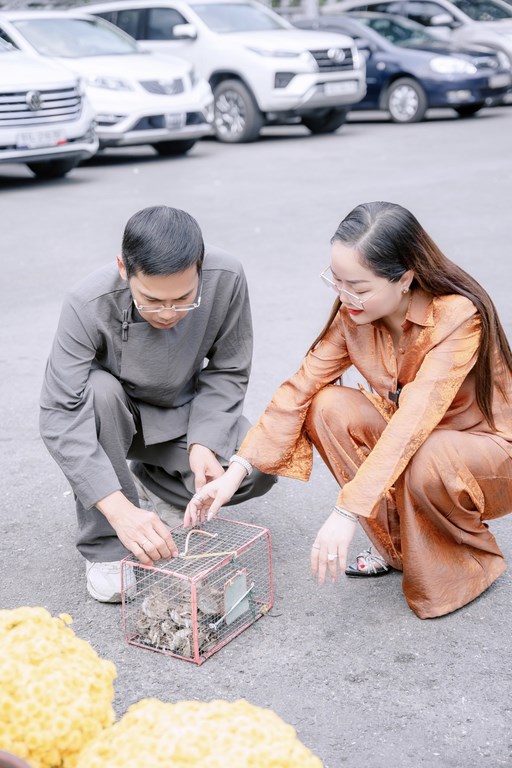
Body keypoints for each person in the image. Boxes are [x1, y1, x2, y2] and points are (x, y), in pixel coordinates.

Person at [185, 201, 512, 619]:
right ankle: (400, 550)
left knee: (429, 453)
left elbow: (414, 421)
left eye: (358, 286)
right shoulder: (353, 316)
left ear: (405, 278)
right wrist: (234, 473)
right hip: (420, 445)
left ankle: (465, 567)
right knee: (326, 405)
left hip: (488, 455)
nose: (344, 296)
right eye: (336, 280)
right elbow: (299, 388)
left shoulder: (457, 316)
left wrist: (346, 511)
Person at [40, 206, 276, 603]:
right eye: (151, 300)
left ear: (200, 267)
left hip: (185, 413)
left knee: (256, 467)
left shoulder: (228, 276)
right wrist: (118, 510)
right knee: (98, 390)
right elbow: (59, 414)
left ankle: (156, 485)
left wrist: (204, 441)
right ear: (123, 268)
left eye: (184, 299)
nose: (168, 313)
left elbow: (229, 368)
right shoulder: (86, 302)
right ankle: (108, 544)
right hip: (116, 419)